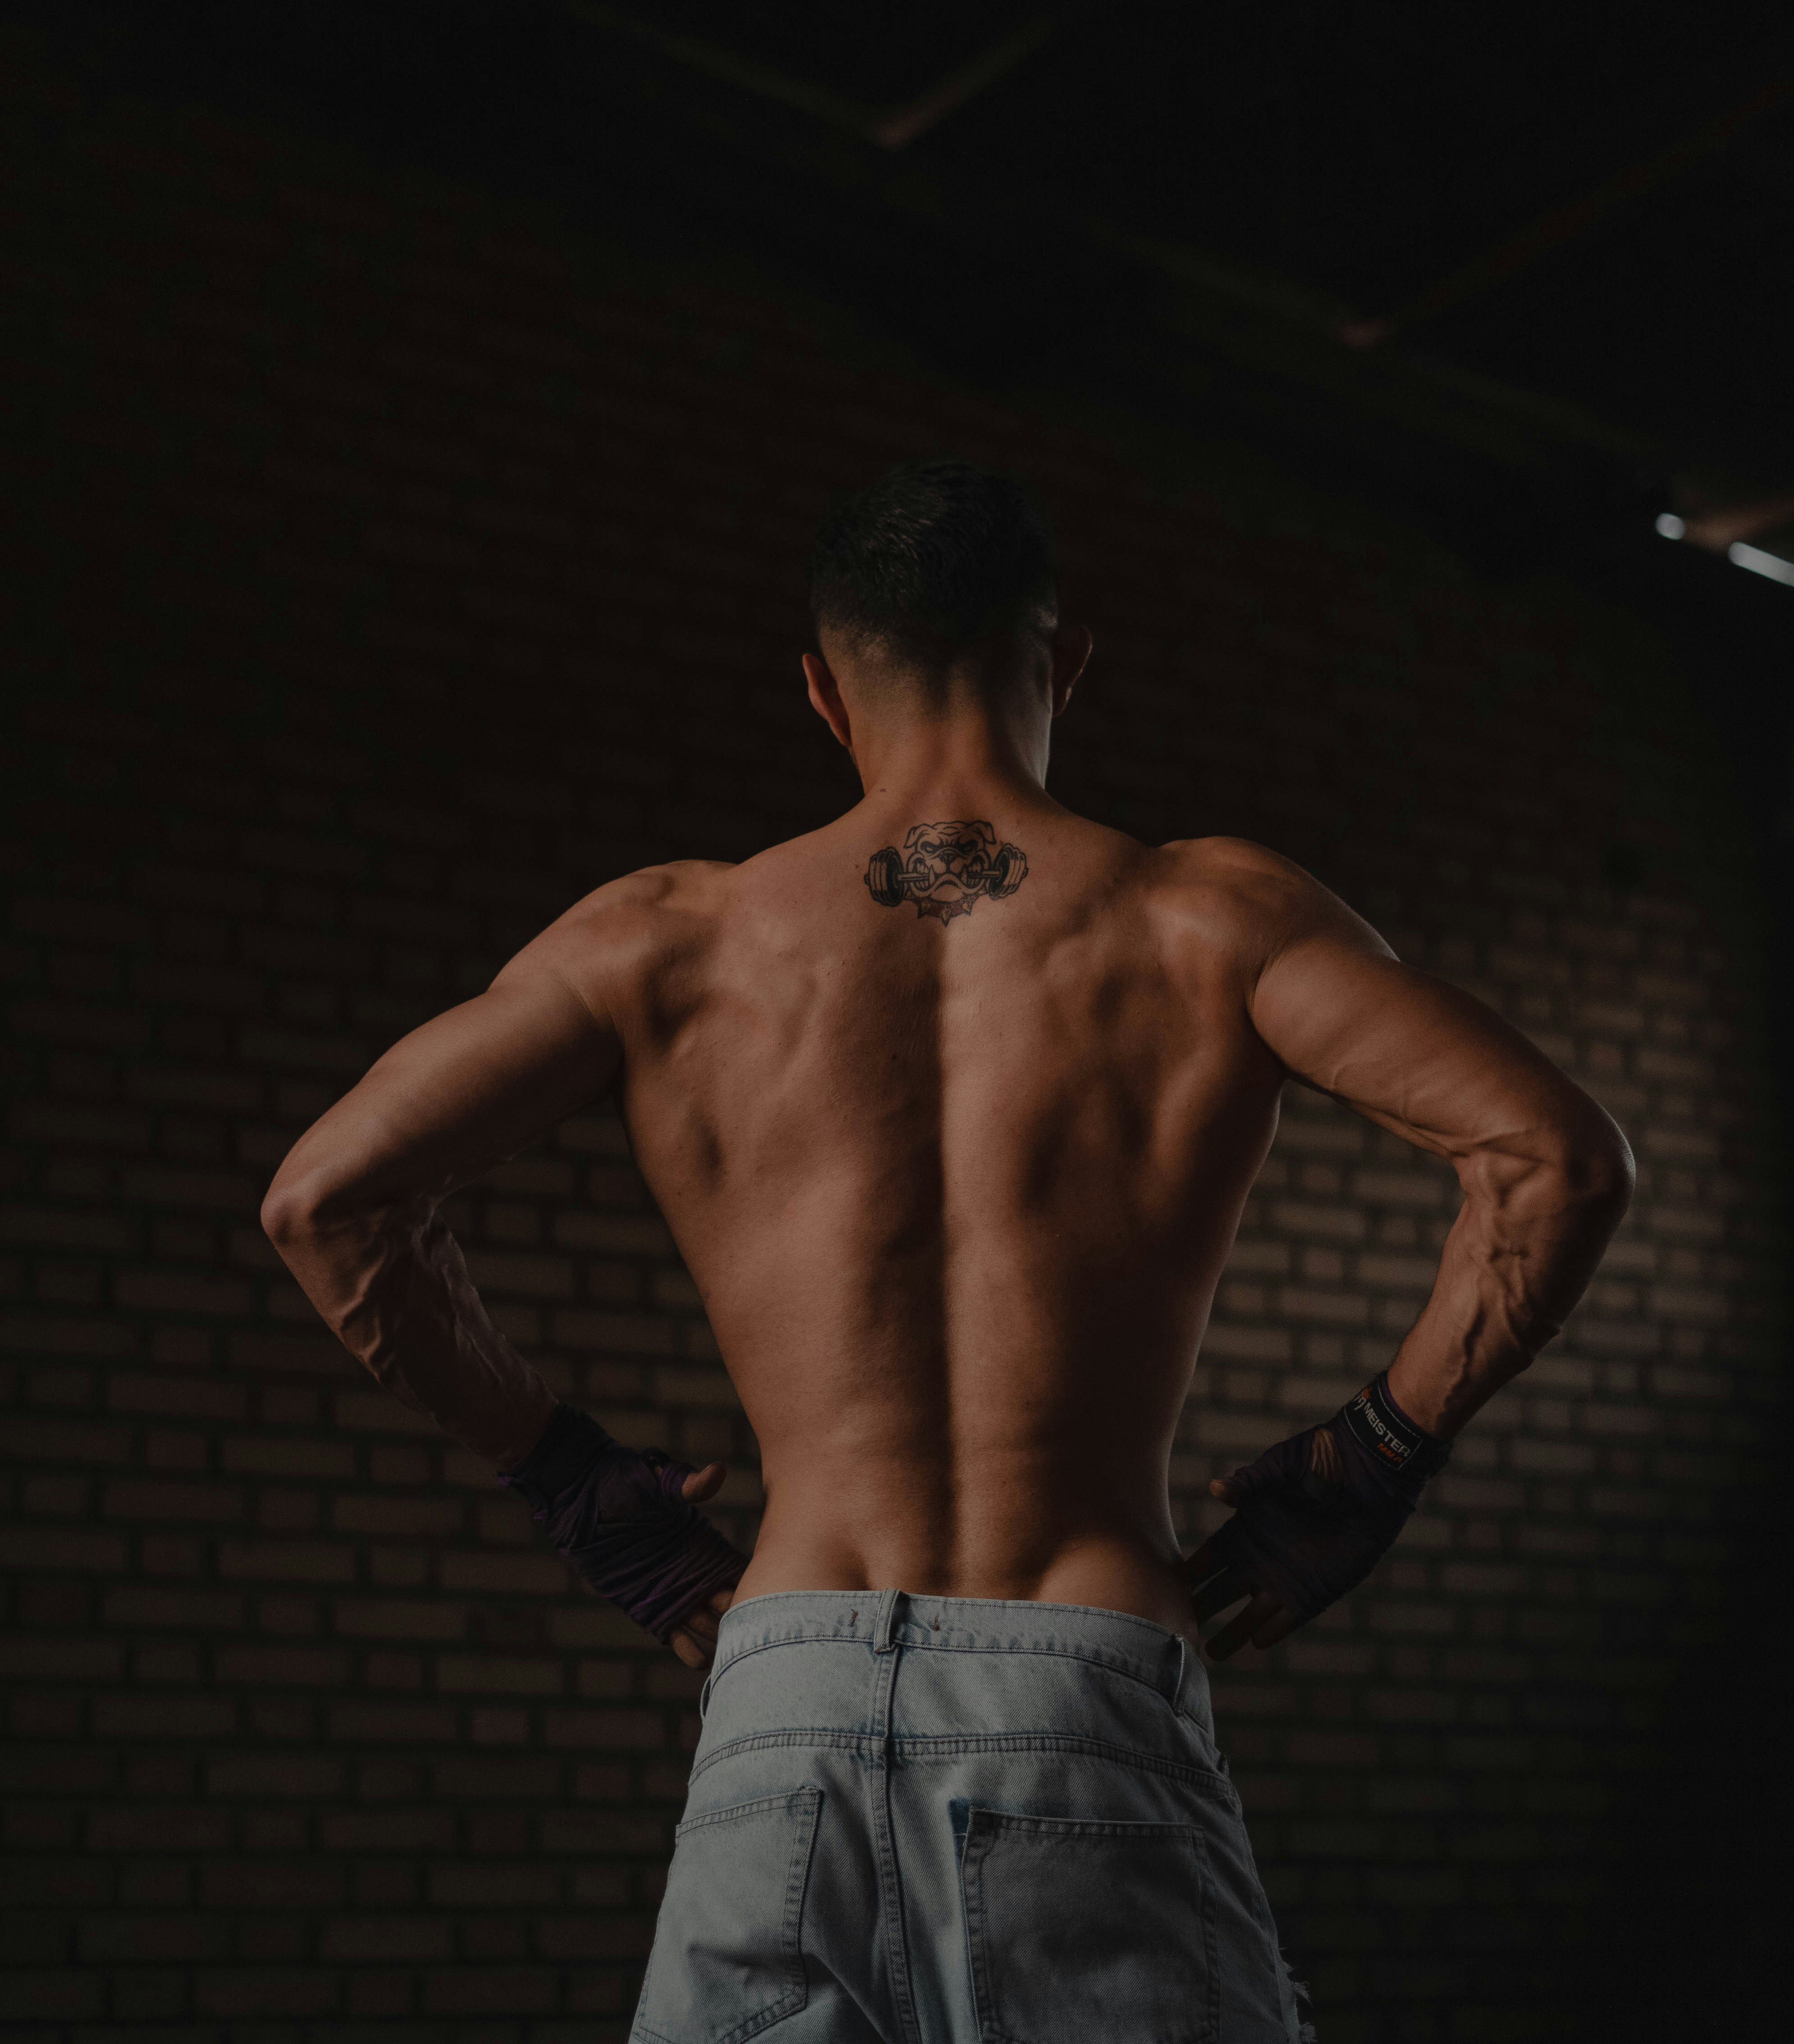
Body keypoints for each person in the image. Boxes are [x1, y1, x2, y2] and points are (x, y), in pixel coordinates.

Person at [262, 462, 1633, 2042]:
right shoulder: (1211, 918)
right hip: (1080, 1668)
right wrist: (1379, 1454)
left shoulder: (665, 940)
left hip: (784, 1689)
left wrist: (574, 1483)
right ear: (1068, 663)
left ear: (822, 690)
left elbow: (327, 1202)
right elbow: (1557, 1159)